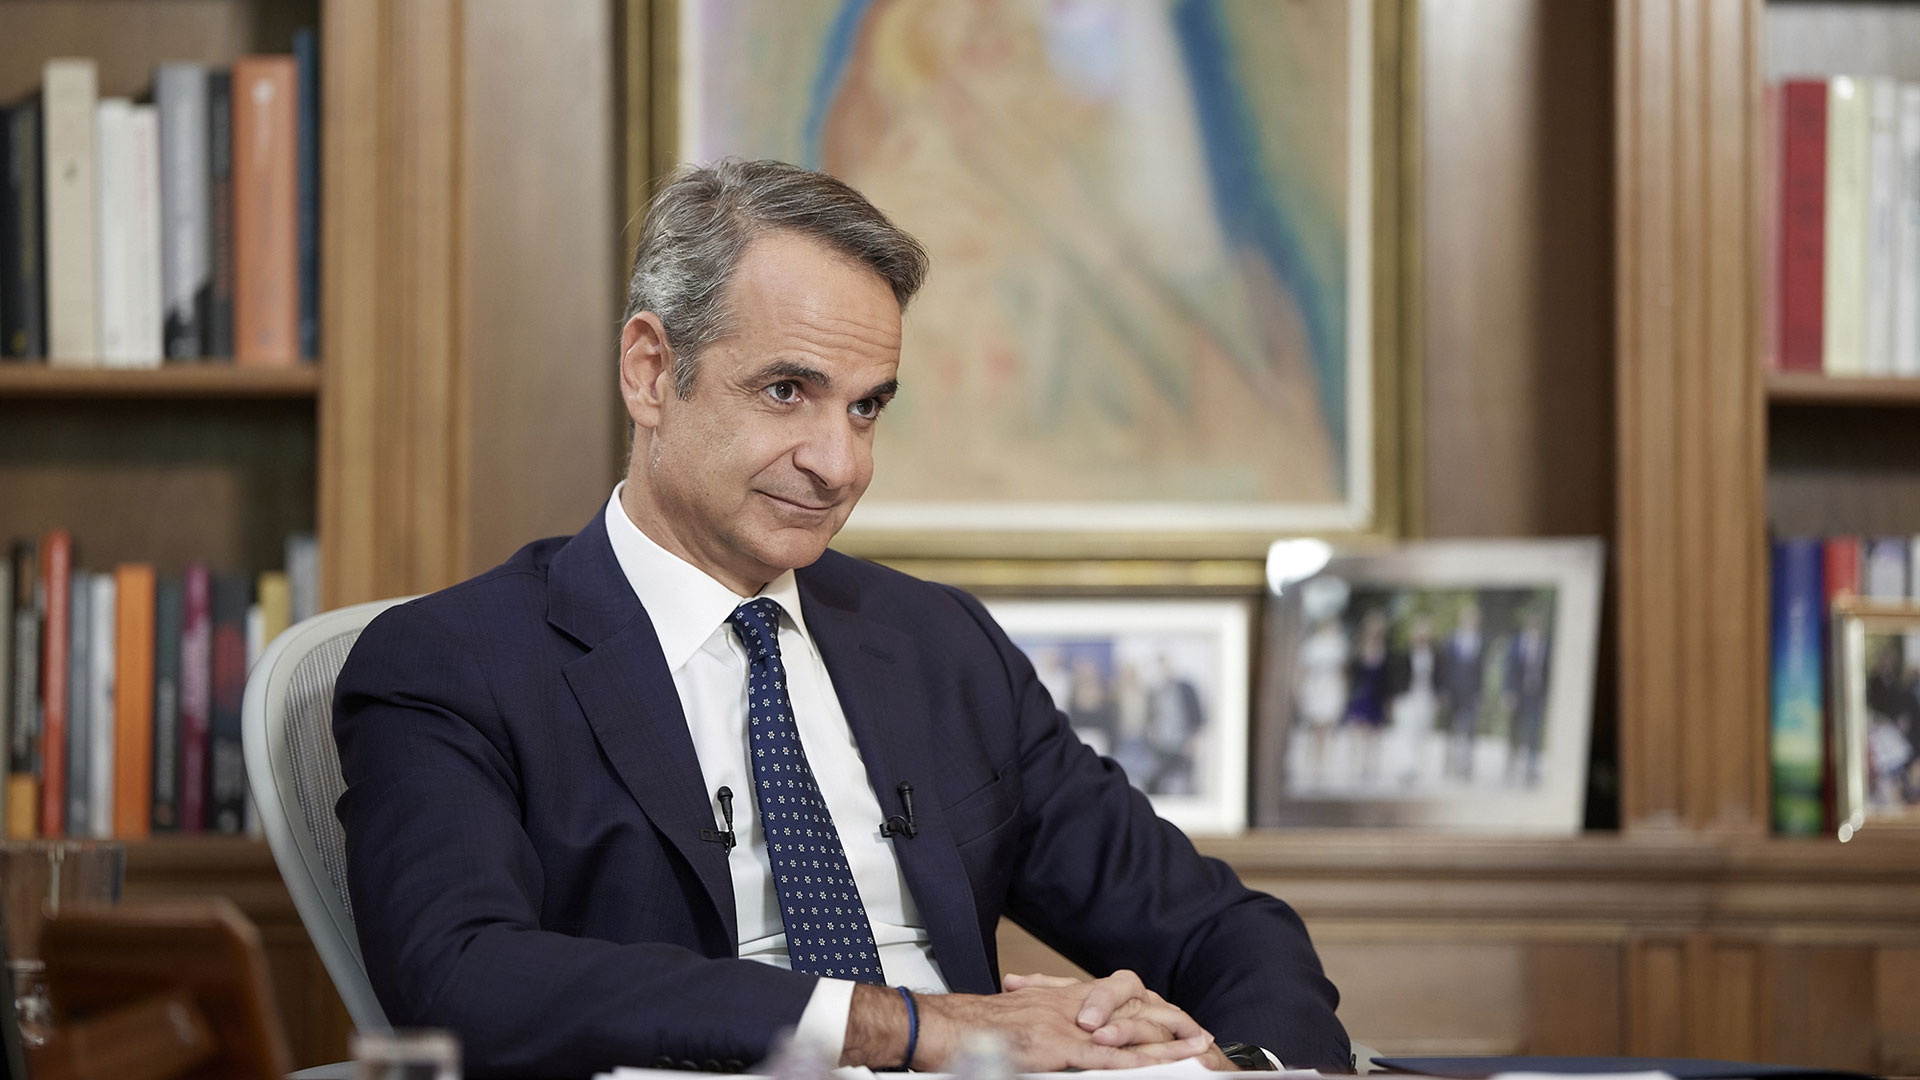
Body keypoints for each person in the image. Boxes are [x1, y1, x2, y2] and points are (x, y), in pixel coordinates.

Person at [332, 161, 1347, 1079]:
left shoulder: (940, 647)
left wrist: (1237, 1069)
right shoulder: (455, 664)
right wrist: (906, 1027)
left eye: (867, 407)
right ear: (651, 373)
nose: (840, 464)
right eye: (787, 392)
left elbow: (1224, 930)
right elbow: (462, 977)